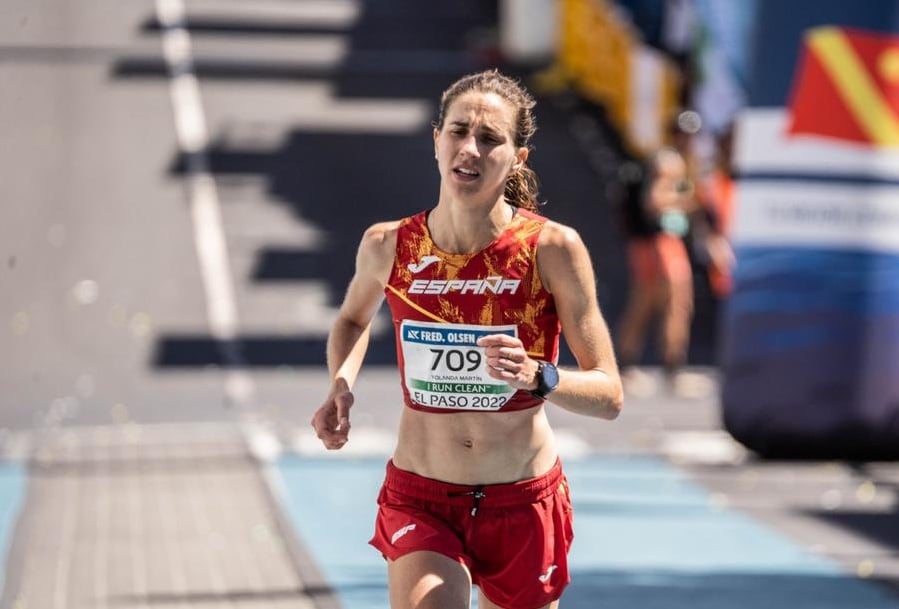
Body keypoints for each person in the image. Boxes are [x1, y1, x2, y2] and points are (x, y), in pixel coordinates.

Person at [311, 69, 623, 609]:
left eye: (490, 138)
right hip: (423, 495)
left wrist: (539, 376)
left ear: (517, 158)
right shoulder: (388, 245)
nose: (470, 149)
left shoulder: (553, 249)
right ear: (436, 141)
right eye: (458, 132)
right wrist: (340, 383)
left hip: (522, 499)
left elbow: (610, 394)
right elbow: (351, 320)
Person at [615, 144, 695, 393]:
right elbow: (654, 201)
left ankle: (651, 366)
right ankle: (667, 368)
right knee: (671, 304)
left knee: (655, 305)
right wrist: (680, 196)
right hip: (659, 247)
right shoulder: (665, 178)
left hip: (659, 245)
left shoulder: (671, 175)